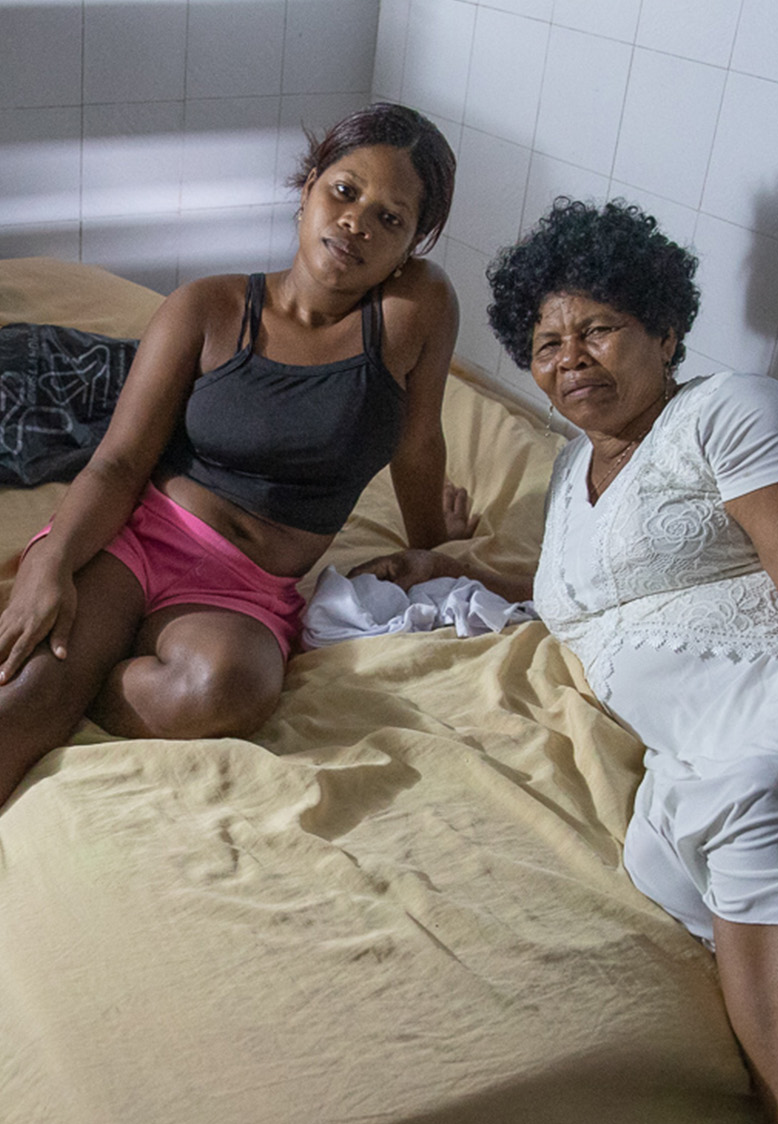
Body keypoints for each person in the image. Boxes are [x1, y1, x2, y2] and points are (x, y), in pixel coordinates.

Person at [358, 198, 778, 1124]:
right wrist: (448, 559)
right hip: (683, 747)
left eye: (601, 329)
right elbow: (591, 584)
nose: (571, 361)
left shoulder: (732, 412)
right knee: (669, 873)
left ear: (664, 329)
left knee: (752, 800)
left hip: (772, 703)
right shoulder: (572, 475)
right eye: (548, 344)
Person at [0, 103, 467, 808]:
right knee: (24, 703)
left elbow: (420, 438)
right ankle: (68, 682)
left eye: (389, 218)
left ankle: (86, 680)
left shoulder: (415, 311)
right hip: (139, 539)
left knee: (228, 689)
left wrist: (434, 548)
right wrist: (52, 560)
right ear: (309, 185)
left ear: (412, 245)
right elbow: (119, 462)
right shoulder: (208, 307)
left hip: (245, 588)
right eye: (345, 191)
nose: (357, 223)